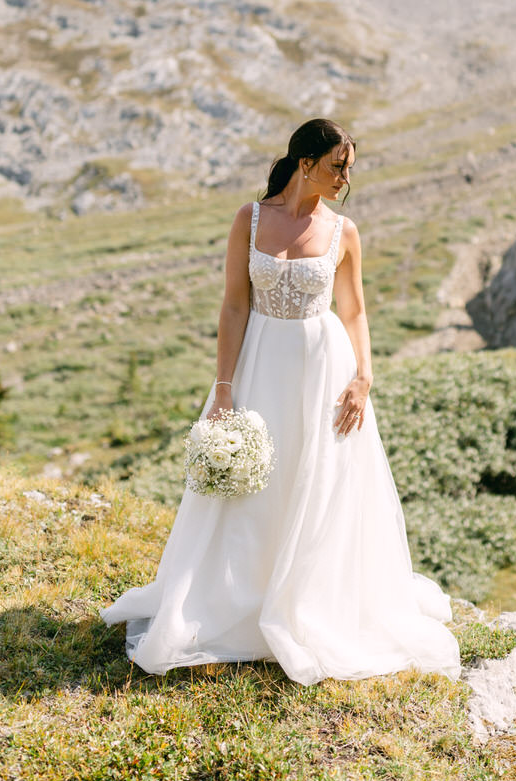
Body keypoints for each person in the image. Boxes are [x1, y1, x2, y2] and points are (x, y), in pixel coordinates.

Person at [100, 117, 461, 685]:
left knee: (317, 482)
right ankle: (235, 597)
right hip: (260, 363)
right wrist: (223, 387)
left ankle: (309, 603)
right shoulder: (249, 219)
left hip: (324, 369)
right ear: (305, 163)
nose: (346, 177)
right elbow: (233, 307)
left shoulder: (344, 231)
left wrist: (363, 378)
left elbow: (356, 311)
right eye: (337, 165)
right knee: (251, 486)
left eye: (349, 166)